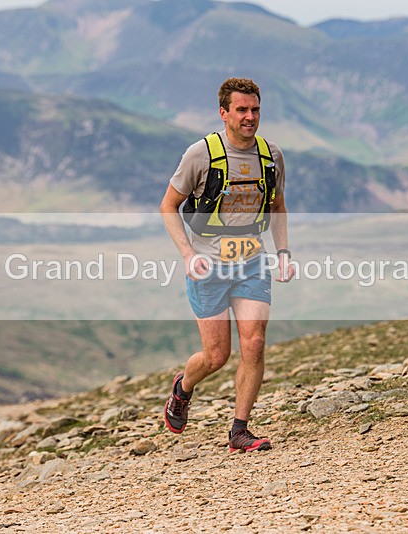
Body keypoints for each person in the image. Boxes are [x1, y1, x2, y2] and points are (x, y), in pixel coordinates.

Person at [159, 77, 295, 453]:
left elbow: (278, 206)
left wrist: (283, 252)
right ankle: (183, 388)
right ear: (224, 113)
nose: (250, 117)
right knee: (216, 356)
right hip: (209, 267)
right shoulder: (200, 155)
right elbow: (168, 205)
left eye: (255, 110)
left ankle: (239, 430)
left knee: (254, 343)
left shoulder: (272, 156)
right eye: (241, 110)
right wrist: (188, 254)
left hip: (252, 262)